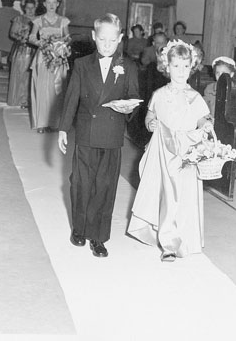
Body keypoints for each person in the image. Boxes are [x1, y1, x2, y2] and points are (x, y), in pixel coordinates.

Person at [58, 13, 140, 258]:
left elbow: (134, 99)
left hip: (112, 136)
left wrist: (128, 108)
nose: (107, 45)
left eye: (112, 40)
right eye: (102, 39)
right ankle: (79, 228)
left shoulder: (128, 67)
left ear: (120, 39)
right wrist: (63, 128)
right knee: (81, 183)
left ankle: (98, 236)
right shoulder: (82, 65)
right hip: (86, 133)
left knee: (105, 186)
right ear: (94, 37)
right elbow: (72, 97)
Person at [127, 40, 213, 262]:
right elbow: (150, 115)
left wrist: (206, 124)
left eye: (185, 66)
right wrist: (150, 123)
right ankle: (168, 244)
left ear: (191, 67)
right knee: (165, 194)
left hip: (185, 150)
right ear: (167, 67)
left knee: (182, 195)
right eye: (176, 66)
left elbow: (202, 116)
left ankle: (182, 236)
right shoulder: (159, 94)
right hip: (163, 151)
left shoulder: (195, 96)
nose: (181, 71)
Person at [29, 0, 71, 133]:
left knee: (56, 90)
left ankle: (55, 123)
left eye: (54, 2)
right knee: (42, 88)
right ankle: (41, 123)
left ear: (58, 4)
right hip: (43, 56)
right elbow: (32, 37)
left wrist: (62, 45)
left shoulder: (63, 21)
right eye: (49, 2)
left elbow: (68, 37)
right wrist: (43, 44)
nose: (52, 5)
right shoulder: (38, 20)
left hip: (58, 57)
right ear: (44, 4)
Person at [7, 0, 38, 108]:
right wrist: (21, 38)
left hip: (35, 50)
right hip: (21, 50)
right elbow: (12, 33)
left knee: (31, 77)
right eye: (27, 8)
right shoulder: (19, 19)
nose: (30, 10)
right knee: (19, 75)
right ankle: (18, 100)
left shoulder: (39, 20)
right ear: (24, 8)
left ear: (36, 8)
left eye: (32, 8)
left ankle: (28, 101)